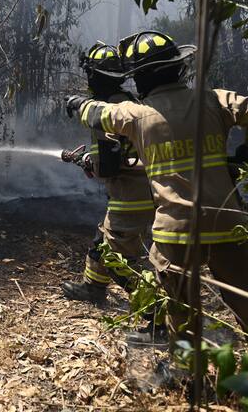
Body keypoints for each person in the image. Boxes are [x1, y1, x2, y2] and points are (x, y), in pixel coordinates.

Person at [65, 30, 248, 345]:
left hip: (177, 230)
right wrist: (244, 156)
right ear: (177, 66)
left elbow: (99, 115)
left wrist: (77, 103)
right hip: (227, 222)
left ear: (140, 77)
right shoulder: (215, 99)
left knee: (180, 309)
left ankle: (183, 368)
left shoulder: (138, 114)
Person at [61, 42, 155, 307]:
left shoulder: (102, 113)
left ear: (92, 76)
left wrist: (87, 162)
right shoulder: (128, 103)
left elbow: (109, 168)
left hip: (131, 196)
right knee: (101, 239)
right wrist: (91, 158)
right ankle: (93, 288)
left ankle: (154, 308)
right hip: (141, 188)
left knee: (120, 260)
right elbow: (122, 153)